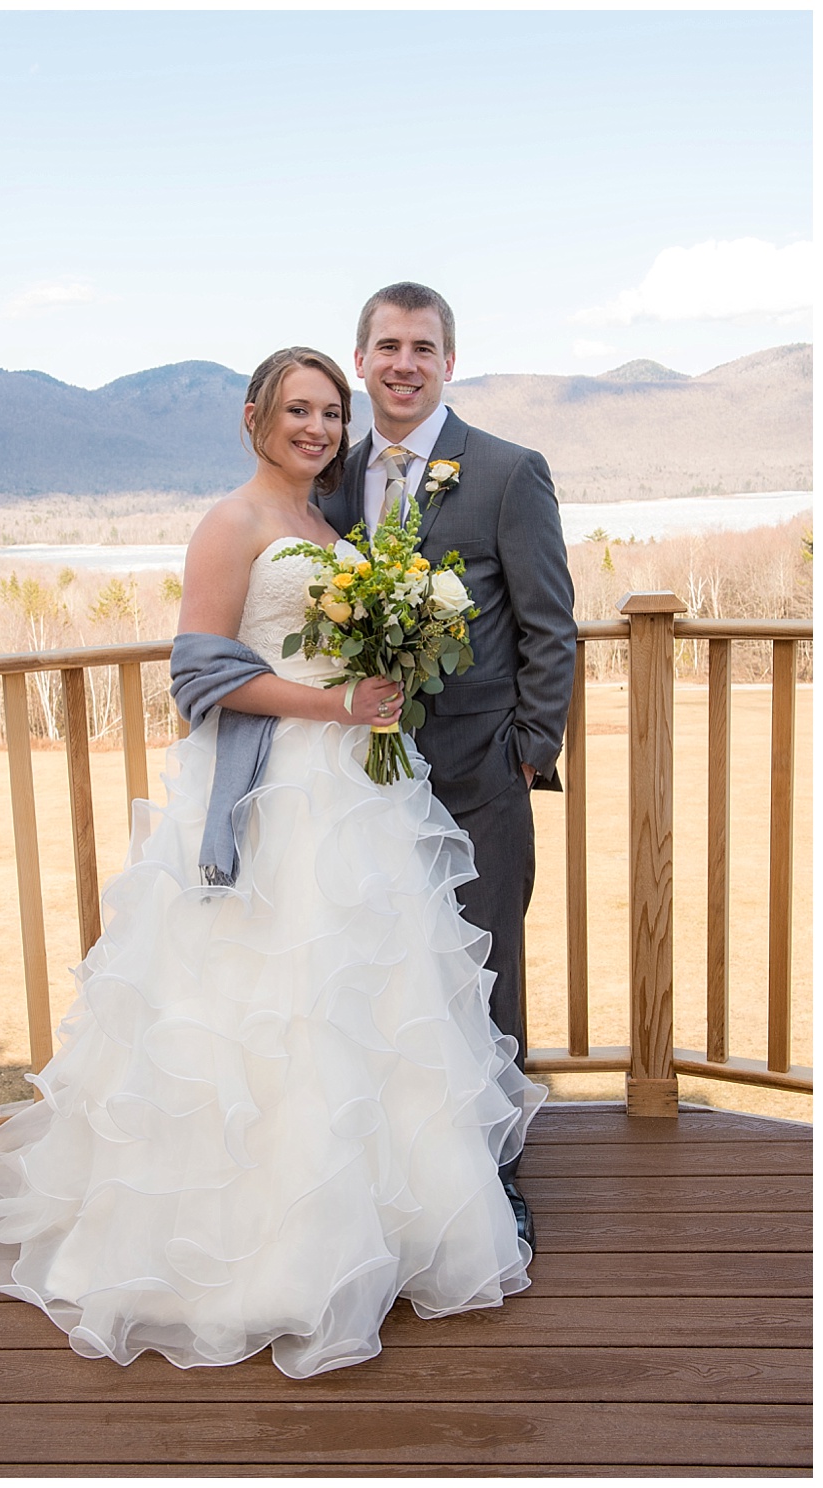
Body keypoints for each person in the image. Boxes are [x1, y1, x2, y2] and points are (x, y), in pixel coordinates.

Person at [0, 346, 545, 1380]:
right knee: (268, 1010)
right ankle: (263, 1261)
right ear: (254, 418)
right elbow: (199, 670)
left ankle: (392, 1230)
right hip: (274, 795)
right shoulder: (232, 523)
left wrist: (385, 665)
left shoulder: (334, 530)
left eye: (330, 412)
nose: (318, 429)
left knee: (368, 1003)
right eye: (298, 411)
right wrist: (331, 703)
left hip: (357, 795)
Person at [319, 284, 577, 1247]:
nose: (404, 363)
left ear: (449, 362)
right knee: (384, 975)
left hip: (479, 778)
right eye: (387, 345)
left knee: (486, 975)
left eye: (423, 347)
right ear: (361, 359)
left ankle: (499, 1173)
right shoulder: (332, 481)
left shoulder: (509, 472)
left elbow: (551, 624)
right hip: (360, 784)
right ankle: (399, 1171)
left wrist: (528, 751)